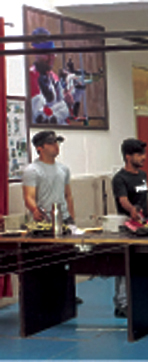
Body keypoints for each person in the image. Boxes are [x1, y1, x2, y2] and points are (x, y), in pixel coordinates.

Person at [22, 131, 81, 305]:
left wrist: (72, 218)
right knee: (48, 260)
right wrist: (35, 210)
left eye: (57, 142)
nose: (56, 146)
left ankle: (68, 294)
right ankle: (49, 297)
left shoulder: (64, 169)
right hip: (45, 222)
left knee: (68, 259)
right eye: (51, 143)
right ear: (40, 148)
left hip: (64, 219)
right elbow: (28, 197)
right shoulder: (32, 170)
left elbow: (68, 195)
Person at [111, 138, 148, 318]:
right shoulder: (119, 179)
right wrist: (132, 210)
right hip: (127, 227)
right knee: (124, 266)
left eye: (144, 153)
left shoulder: (143, 175)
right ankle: (122, 304)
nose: (143, 157)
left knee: (142, 265)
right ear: (128, 156)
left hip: (144, 226)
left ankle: (139, 298)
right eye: (139, 154)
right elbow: (123, 200)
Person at [29, 28, 70, 125]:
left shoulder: (54, 77)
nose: (51, 57)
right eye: (47, 53)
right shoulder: (30, 77)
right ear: (35, 52)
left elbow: (64, 110)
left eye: (53, 53)